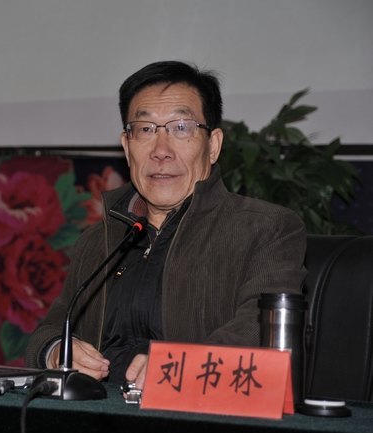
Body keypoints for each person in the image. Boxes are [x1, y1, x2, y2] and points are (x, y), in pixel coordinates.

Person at [25, 60, 307, 391]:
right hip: (98, 410)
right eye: (145, 130)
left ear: (213, 146)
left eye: (181, 128)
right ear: (127, 147)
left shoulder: (266, 229)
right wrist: (56, 350)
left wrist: (177, 366)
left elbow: (260, 330)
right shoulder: (99, 240)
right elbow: (48, 331)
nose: (161, 151)